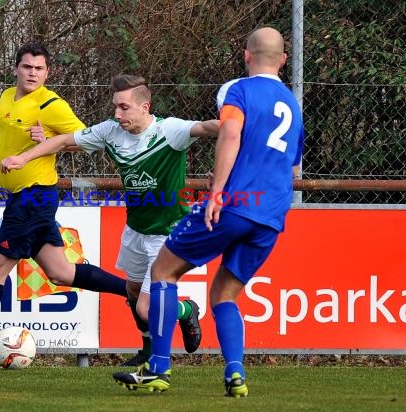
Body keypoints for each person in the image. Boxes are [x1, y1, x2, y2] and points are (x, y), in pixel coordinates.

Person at [112, 27, 305, 396]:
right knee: (225, 293)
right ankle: (235, 375)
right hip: (272, 214)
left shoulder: (240, 90)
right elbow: (293, 166)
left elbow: (230, 133)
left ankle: (158, 368)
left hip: (234, 204)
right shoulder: (292, 104)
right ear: (283, 59)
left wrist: (217, 191)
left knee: (164, 271)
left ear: (247, 56)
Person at [0, 42, 128, 366]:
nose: (32, 73)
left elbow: (88, 141)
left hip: (33, 196)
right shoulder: (6, 96)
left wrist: (48, 142)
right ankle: (133, 291)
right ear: (16, 68)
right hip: (27, 197)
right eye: (27, 67)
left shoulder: (51, 104)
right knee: (60, 272)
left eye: (39, 68)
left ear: (48, 72)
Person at [1, 74, 220, 366]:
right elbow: (64, 140)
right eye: (115, 107)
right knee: (131, 291)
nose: (117, 114)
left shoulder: (169, 130)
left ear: (145, 107)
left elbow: (207, 127)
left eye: (124, 107)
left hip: (166, 234)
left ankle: (184, 310)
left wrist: (240, 123)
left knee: (144, 307)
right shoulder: (111, 131)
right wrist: (24, 159)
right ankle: (146, 349)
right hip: (136, 229)